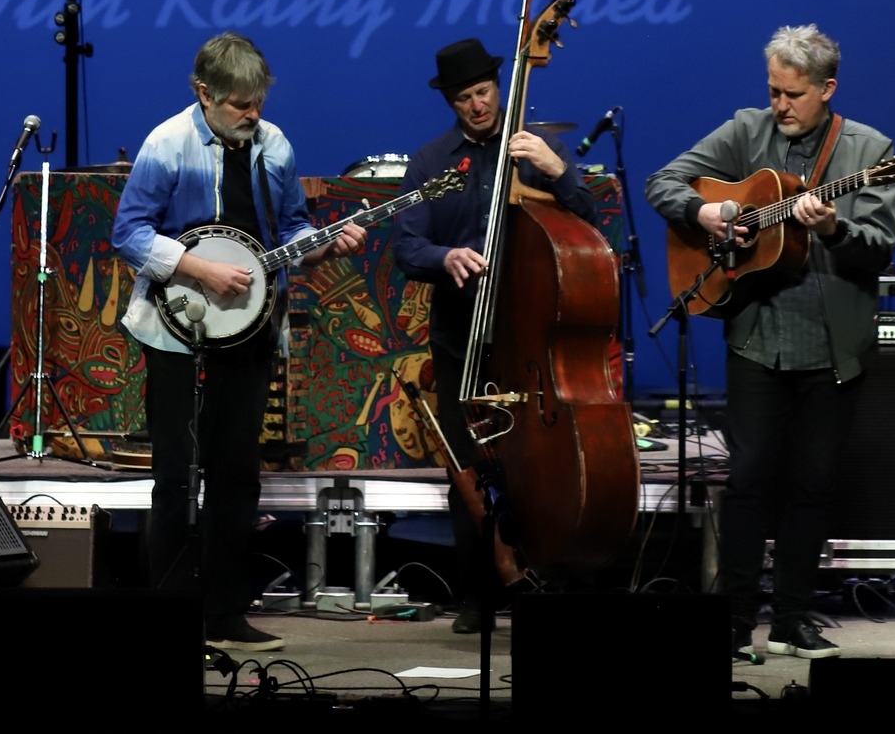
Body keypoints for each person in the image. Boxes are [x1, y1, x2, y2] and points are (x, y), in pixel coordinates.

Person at [644, 25, 895, 660]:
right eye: (774, 92)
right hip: (758, 338)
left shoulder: (871, 150)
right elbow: (663, 182)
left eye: (793, 94)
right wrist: (706, 213)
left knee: (812, 486)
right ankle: (733, 621)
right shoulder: (745, 130)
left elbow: (879, 249)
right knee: (749, 482)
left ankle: (793, 618)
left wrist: (834, 228)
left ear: (826, 89)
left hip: (832, 346)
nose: (781, 105)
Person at [112, 33, 364, 653]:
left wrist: (326, 246)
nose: (252, 114)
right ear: (204, 93)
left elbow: (294, 229)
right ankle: (172, 620)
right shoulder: (167, 143)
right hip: (176, 329)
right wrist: (202, 270)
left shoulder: (274, 145)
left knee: (237, 476)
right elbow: (129, 233)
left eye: (258, 102)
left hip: (250, 330)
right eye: (239, 104)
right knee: (177, 477)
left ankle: (226, 613)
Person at [388, 37, 600, 632]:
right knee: (470, 465)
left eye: (482, 93)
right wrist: (445, 256)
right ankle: (478, 595)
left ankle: (550, 576)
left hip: (533, 333)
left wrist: (557, 171)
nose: (477, 106)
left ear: (497, 87)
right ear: (450, 102)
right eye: (464, 99)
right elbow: (407, 245)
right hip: (462, 333)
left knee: (541, 459)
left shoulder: (536, 149)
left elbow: (588, 220)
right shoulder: (431, 162)